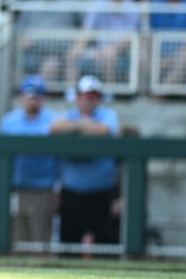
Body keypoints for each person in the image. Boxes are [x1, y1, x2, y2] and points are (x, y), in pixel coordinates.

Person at [50, 75, 121, 247]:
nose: (90, 101)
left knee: (105, 249)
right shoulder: (67, 115)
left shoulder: (108, 115)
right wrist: (85, 125)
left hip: (102, 195)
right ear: (78, 97)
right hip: (71, 194)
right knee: (68, 248)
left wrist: (75, 128)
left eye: (94, 97)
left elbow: (104, 130)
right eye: (86, 96)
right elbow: (55, 128)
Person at [0, 75, 58, 246]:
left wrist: (57, 189)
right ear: (22, 96)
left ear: (44, 97)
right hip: (16, 188)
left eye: (38, 95)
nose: (33, 99)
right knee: (15, 239)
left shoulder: (54, 121)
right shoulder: (9, 122)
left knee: (40, 240)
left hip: (43, 190)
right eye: (30, 94)